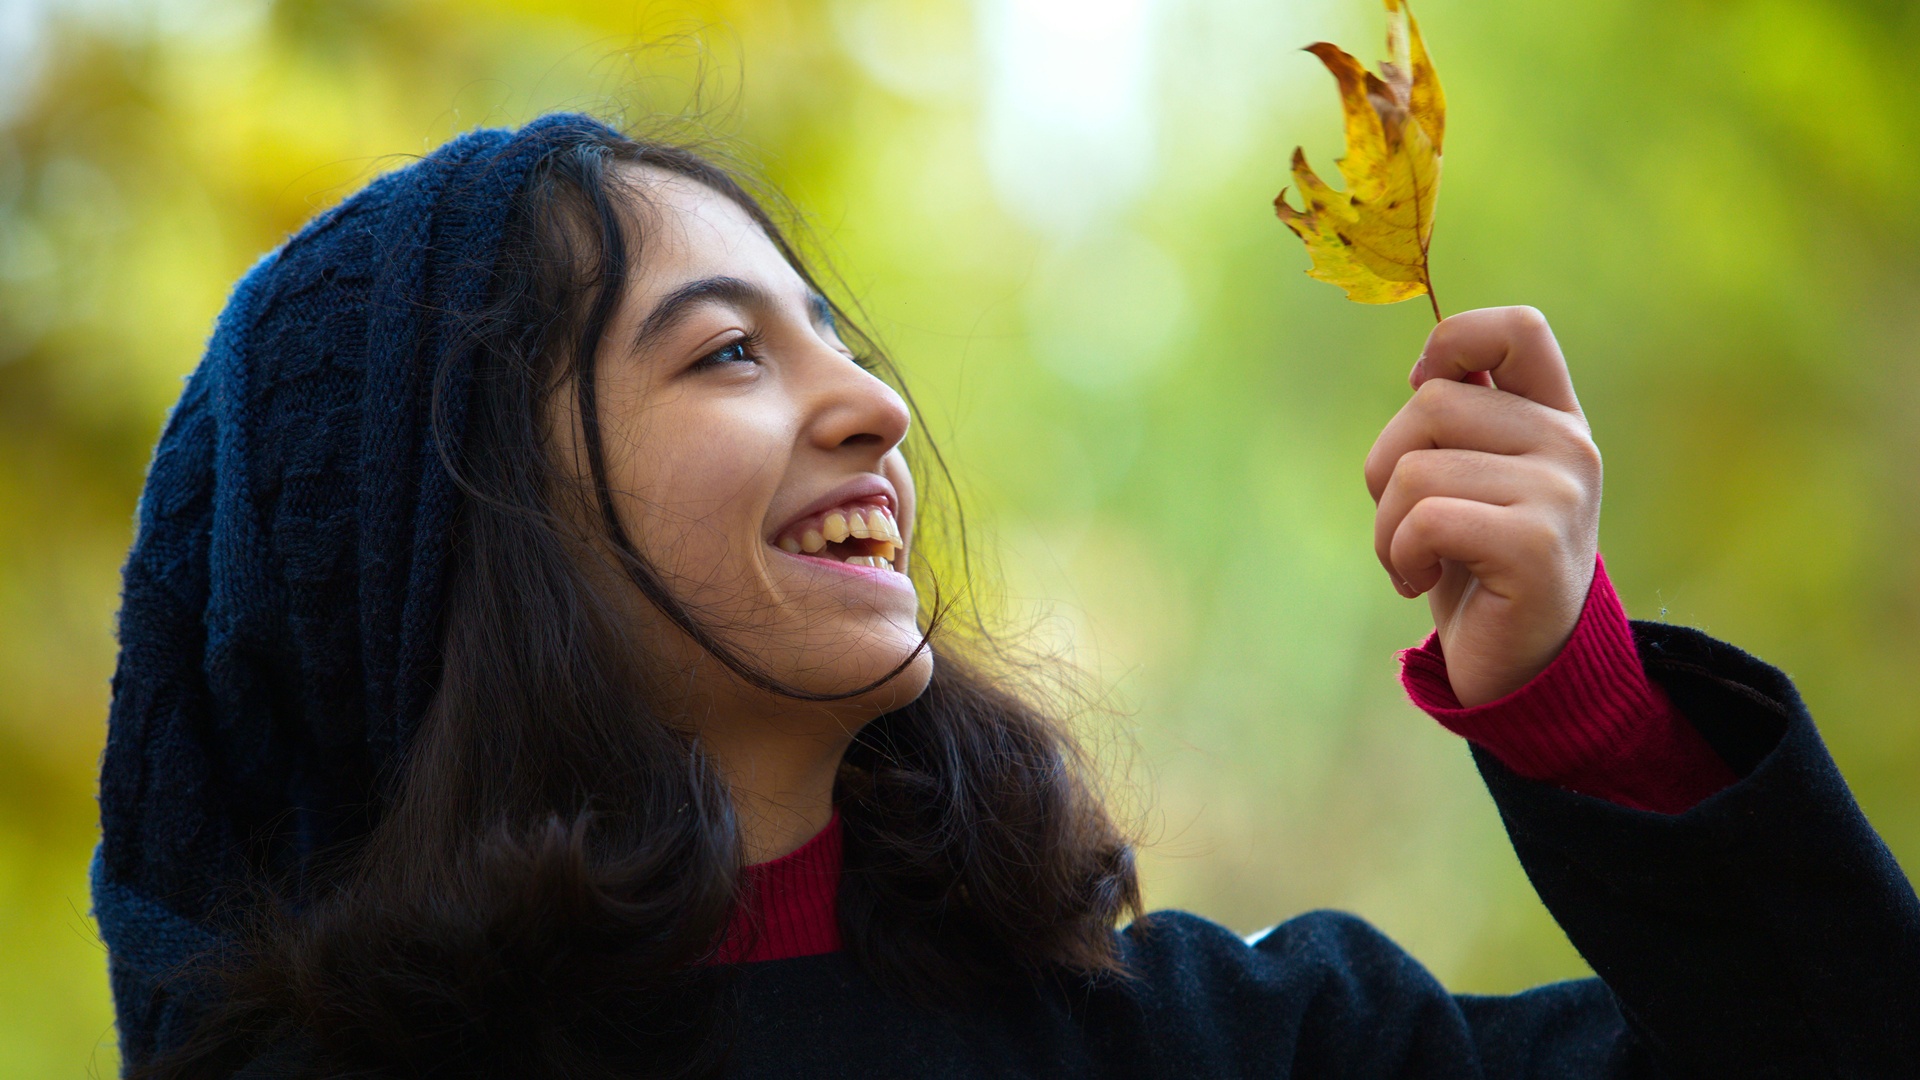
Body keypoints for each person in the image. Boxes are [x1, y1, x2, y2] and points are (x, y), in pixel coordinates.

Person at [92, 114, 1918, 1079]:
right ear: (462, 543)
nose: (876, 403)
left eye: (837, 332)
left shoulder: (1208, 1041)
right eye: (724, 353)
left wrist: (1581, 710)